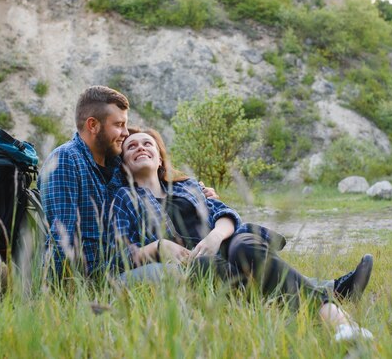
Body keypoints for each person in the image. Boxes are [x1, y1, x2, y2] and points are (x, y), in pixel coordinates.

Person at [110, 127, 374, 341]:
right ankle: (333, 292)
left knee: (245, 248)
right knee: (207, 267)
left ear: (159, 159)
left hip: (229, 241)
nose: (140, 147)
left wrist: (215, 236)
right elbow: (120, 253)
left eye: (148, 144)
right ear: (124, 166)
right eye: (131, 146)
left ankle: (342, 323)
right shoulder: (124, 198)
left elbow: (225, 214)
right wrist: (158, 246)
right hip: (197, 261)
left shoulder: (187, 186)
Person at [38, 86, 218, 278]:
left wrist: (200, 194)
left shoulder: (117, 162)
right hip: (94, 277)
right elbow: (61, 238)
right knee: (170, 274)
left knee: (196, 269)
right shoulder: (65, 160)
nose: (125, 133)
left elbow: (156, 184)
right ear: (93, 125)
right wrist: (62, 294)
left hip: (131, 262)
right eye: (118, 124)